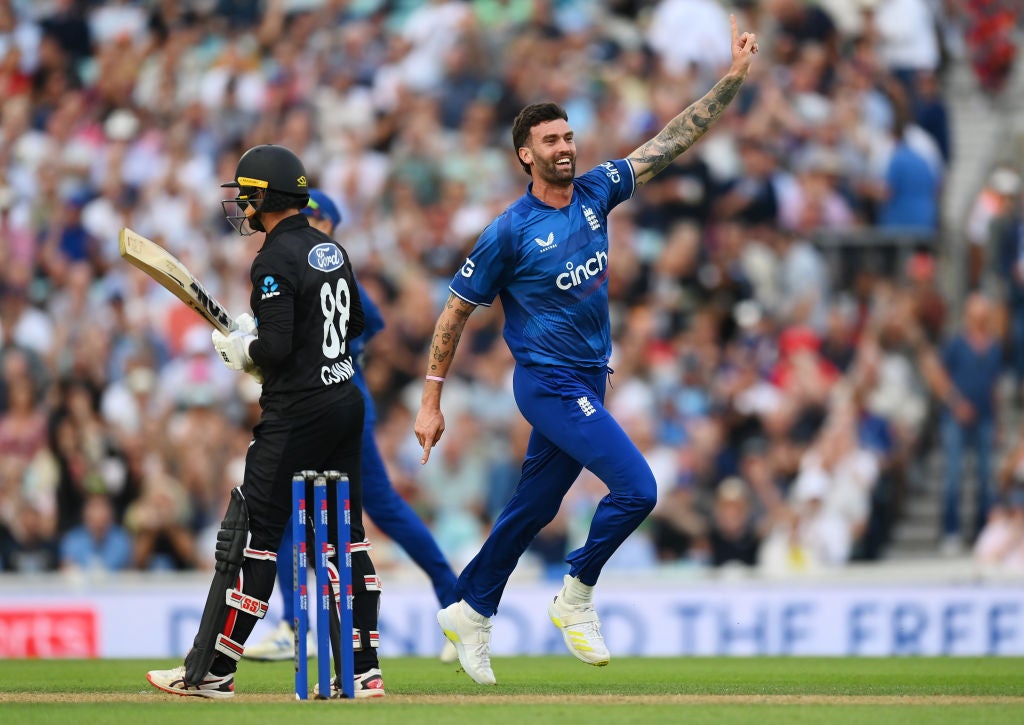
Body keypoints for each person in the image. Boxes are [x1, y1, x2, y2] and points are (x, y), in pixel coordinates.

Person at [414, 16, 759, 685]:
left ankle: (470, 608)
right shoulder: (508, 233)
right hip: (545, 384)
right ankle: (575, 594)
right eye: (551, 139)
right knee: (637, 488)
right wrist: (431, 398)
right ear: (526, 154)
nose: (565, 146)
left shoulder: (598, 191)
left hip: (588, 381)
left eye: (568, 135)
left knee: (532, 508)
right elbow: (455, 311)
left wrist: (732, 80)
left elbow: (668, 142)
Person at [146, 145, 384, 698]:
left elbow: (274, 347)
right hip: (345, 402)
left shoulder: (272, 259)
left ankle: (211, 671)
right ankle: (364, 668)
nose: (241, 206)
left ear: (264, 197)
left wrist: (246, 350)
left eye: (246, 195)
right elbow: (348, 331)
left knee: (252, 536)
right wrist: (270, 344)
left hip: (296, 412)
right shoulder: (331, 249)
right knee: (344, 541)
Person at [242, 189, 459, 664]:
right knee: (286, 515)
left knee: (376, 509)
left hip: (335, 405)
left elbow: (371, 321)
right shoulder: (308, 264)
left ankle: (456, 603)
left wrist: (320, 349)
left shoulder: (320, 263)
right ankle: (294, 625)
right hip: (323, 403)